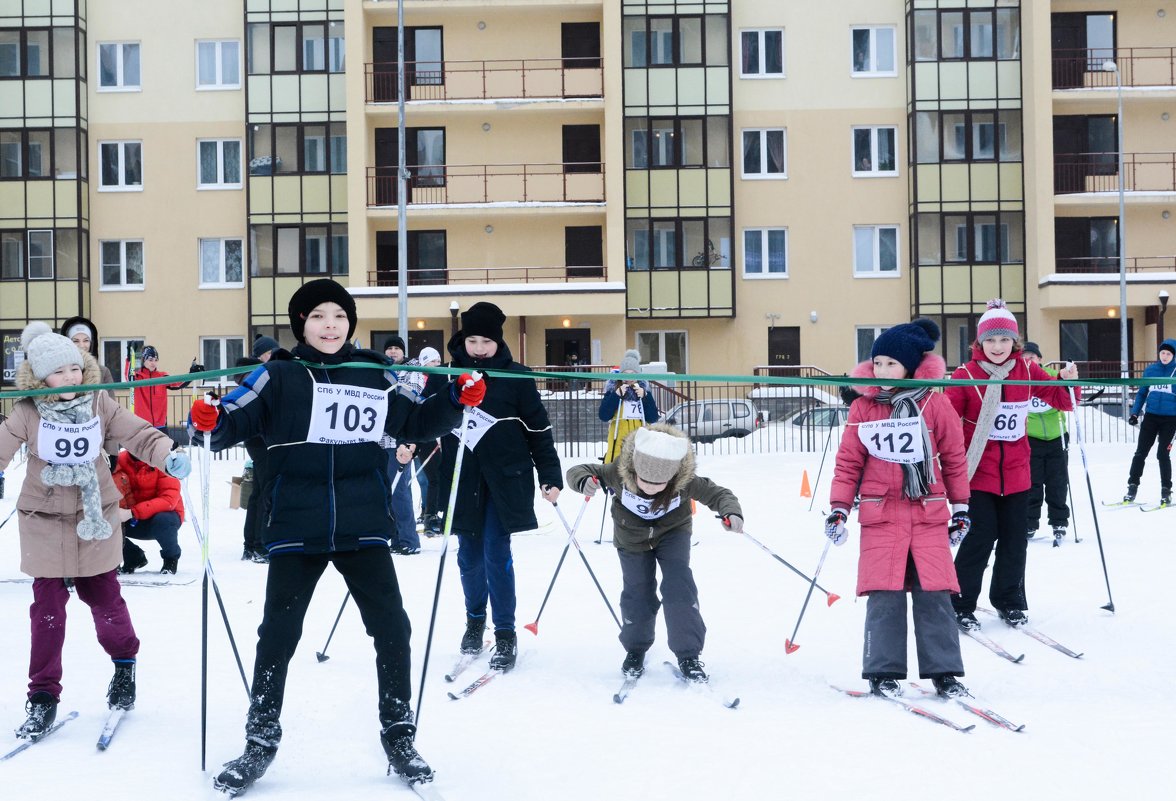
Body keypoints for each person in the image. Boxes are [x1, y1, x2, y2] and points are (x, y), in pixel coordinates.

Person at [189, 278, 484, 794]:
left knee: (393, 628)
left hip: (363, 521)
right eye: (319, 315)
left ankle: (398, 732)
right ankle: (260, 739)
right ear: (301, 322)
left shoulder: (372, 370)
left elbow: (414, 420)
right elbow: (230, 419)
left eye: (340, 316)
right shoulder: (277, 373)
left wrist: (457, 399)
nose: (331, 325)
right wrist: (209, 418)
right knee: (277, 635)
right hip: (297, 522)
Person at [0, 321, 190, 739]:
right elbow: (3, 444)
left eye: (74, 369)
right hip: (44, 519)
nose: (68, 378)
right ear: (40, 378)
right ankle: (43, 697)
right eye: (57, 372)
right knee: (47, 613)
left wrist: (167, 454)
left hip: (96, 515)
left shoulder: (98, 403)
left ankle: (124, 666)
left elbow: (136, 433)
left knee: (105, 602)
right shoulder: (27, 411)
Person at [825, 319, 971, 699]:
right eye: (878, 364)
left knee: (934, 594)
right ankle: (882, 671)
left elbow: (954, 458)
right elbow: (848, 462)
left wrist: (961, 507)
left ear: (909, 367)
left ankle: (945, 673)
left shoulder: (935, 404)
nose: (883, 371)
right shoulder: (863, 408)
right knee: (884, 594)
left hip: (928, 513)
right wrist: (839, 507)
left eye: (892, 364)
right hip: (881, 513)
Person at [422, 301, 561, 672]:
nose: (479, 348)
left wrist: (549, 474)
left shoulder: (517, 376)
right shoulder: (448, 375)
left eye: (486, 341)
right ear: (462, 340)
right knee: (468, 556)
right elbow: (426, 420)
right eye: (472, 340)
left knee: (496, 553)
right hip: (461, 480)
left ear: (498, 342)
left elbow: (538, 429)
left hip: (505, 479)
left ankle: (504, 633)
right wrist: (410, 443)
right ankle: (474, 621)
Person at [566, 424, 743, 683]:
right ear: (634, 469)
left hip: (673, 534)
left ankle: (688, 655)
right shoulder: (617, 472)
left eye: (659, 484)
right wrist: (584, 482)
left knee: (678, 586)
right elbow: (577, 471)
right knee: (637, 593)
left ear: (672, 477)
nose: (650, 488)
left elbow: (719, 494)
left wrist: (731, 512)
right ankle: (635, 649)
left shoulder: (686, 481)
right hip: (631, 538)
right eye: (645, 481)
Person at [946, 300, 1078, 631]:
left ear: (1014, 342)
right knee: (980, 537)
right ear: (979, 342)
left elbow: (1062, 401)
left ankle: (1009, 600)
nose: (997, 347)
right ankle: (960, 603)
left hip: (1018, 472)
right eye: (990, 340)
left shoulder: (1027, 370)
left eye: (1004, 340)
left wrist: (1066, 380)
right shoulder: (965, 375)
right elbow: (945, 419)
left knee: (1015, 540)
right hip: (978, 474)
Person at [1022, 342, 1071, 543]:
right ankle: (1029, 522)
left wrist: (1069, 384)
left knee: (1057, 483)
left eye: (1032, 357)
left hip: (1056, 435)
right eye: (1025, 357)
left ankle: (1059, 521)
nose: (1029, 360)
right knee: (1032, 483)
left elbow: (1066, 397)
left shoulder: (1050, 375)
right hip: (1031, 438)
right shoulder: (1020, 379)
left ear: (1039, 359)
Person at [112, 450, 185, 574]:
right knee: (106, 523)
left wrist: (132, 512)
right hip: (131, 516)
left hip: (164, 516)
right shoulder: (120, 460)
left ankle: (171, 559)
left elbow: (168, 500)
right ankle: (133, 556)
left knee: (163, 520)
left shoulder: (164, 461)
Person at [1123, 339, 1176, 507]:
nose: (1165, 356)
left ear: (1173, 355)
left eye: (1168, 353)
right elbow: (1142, 393)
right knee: (1140, 453)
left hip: (1170, 419)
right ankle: (1132, 486)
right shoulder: (1151, 370)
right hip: (1151, 417)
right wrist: (1134, 413)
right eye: (1162, 353)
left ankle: (1166, 491)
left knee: (1162, 454)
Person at [382, 335, 421, 555]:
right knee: (385, 492)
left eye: (397, 348)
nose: (393, 352)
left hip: (401, 441)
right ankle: (395, 538)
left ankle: (409, 539)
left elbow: (409, 399)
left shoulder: (413, 371)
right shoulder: (380, 370)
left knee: (400, 492)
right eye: (389, 349)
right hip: (379, 441)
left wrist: (408, 441)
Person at [234, 356, 270, 562]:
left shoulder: (246, 388)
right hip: (260, 441)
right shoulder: (250, 389)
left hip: (256, 441)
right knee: (264, 493)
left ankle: (251, 545)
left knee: (258, 493)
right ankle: (259, 545)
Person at [599, 349, 659, 464]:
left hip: (640, 441)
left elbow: (653, 417)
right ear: (621, 375)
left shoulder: (643, 391)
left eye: (633, 374)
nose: (629, 378)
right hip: (618, 441)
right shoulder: (613, 390)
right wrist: (616, 395)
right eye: (625, 374)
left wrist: (645, 396)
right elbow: (604, 415)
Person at [408, 347, 444, 535]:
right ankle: (430, 515)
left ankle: (435, 513)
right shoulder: (416, 379)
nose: (437, 365)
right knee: (431, 478)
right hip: (423, 433)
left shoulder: (440, 378)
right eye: (432, 362)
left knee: (438, 476)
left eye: (439, 362)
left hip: (441, 431)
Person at [130, 345, 198, 431]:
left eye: (155, 360)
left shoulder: (162, 377)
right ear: (144, 360)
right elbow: (128, 376)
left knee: (166, 445)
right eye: (150, 360)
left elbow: (178, 384)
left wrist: (191, 374)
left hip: (160, 426)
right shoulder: (137, 377)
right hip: (143, 426)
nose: (153, 363)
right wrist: (129, 358)